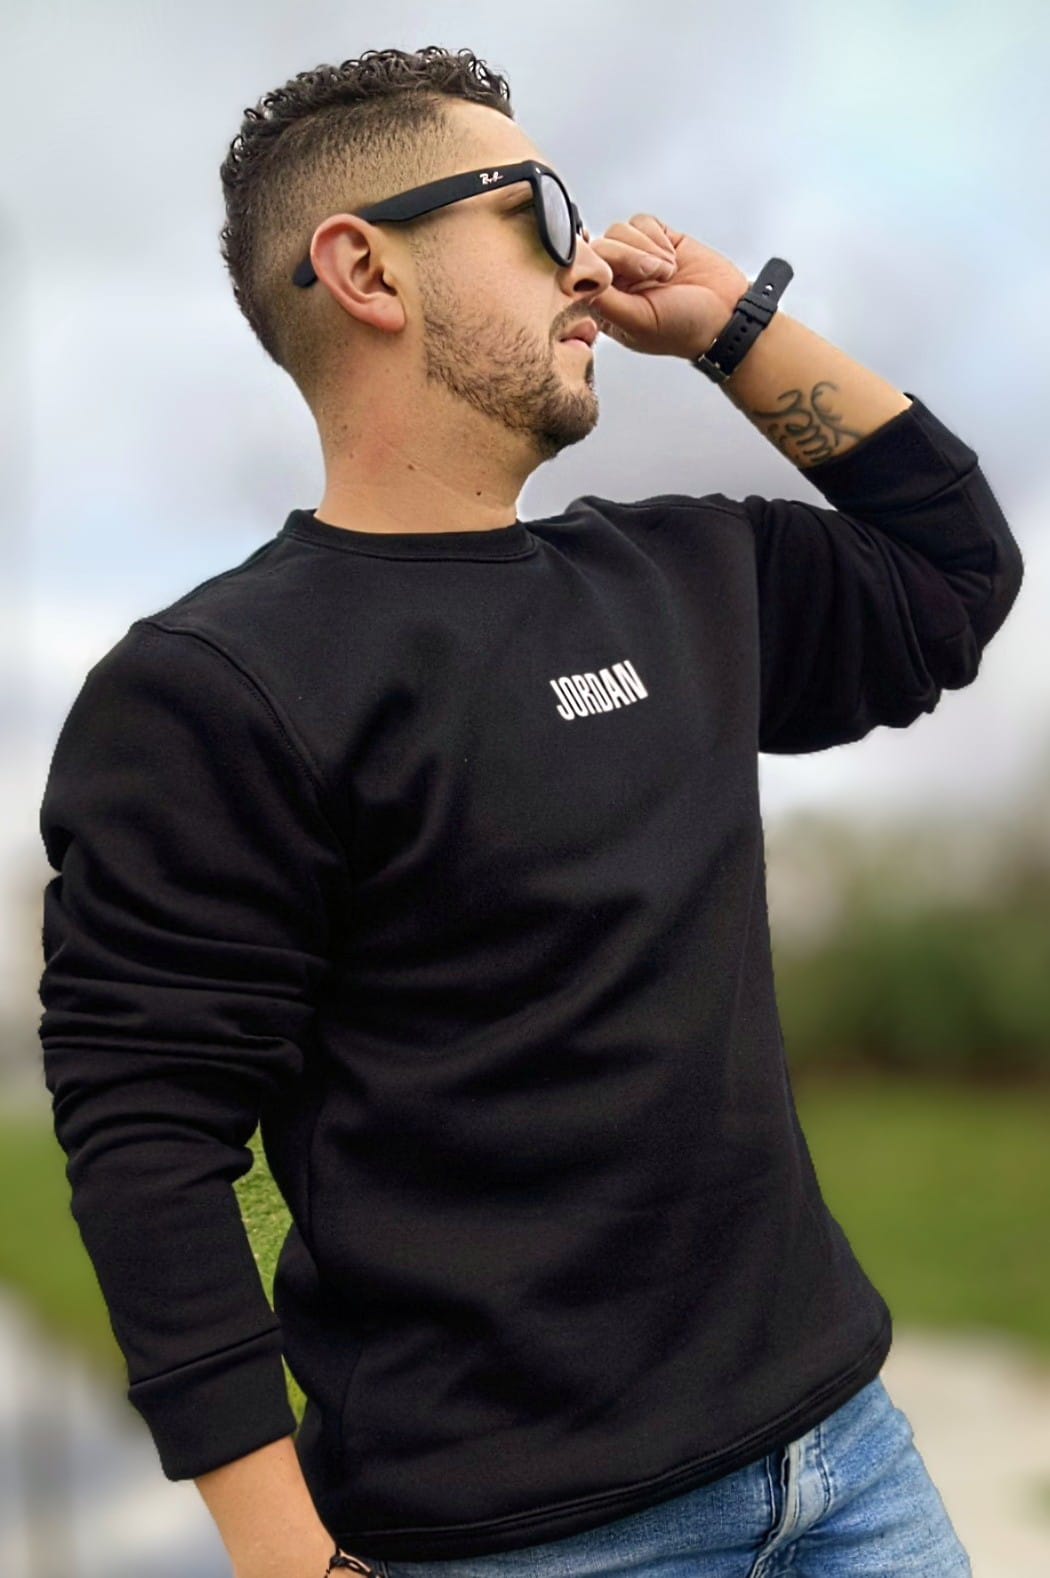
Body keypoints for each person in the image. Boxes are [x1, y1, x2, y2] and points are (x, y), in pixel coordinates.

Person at [37, 44, 1020, 1578]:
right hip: (519, 1539)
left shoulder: (684, 576)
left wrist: (734, 327)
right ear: (364, 268)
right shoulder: (215, 687)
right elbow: (148, 1139)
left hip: (846, 1467)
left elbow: (953, 576)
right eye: (537, 214)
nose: (587, 263)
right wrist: (285, 1556)